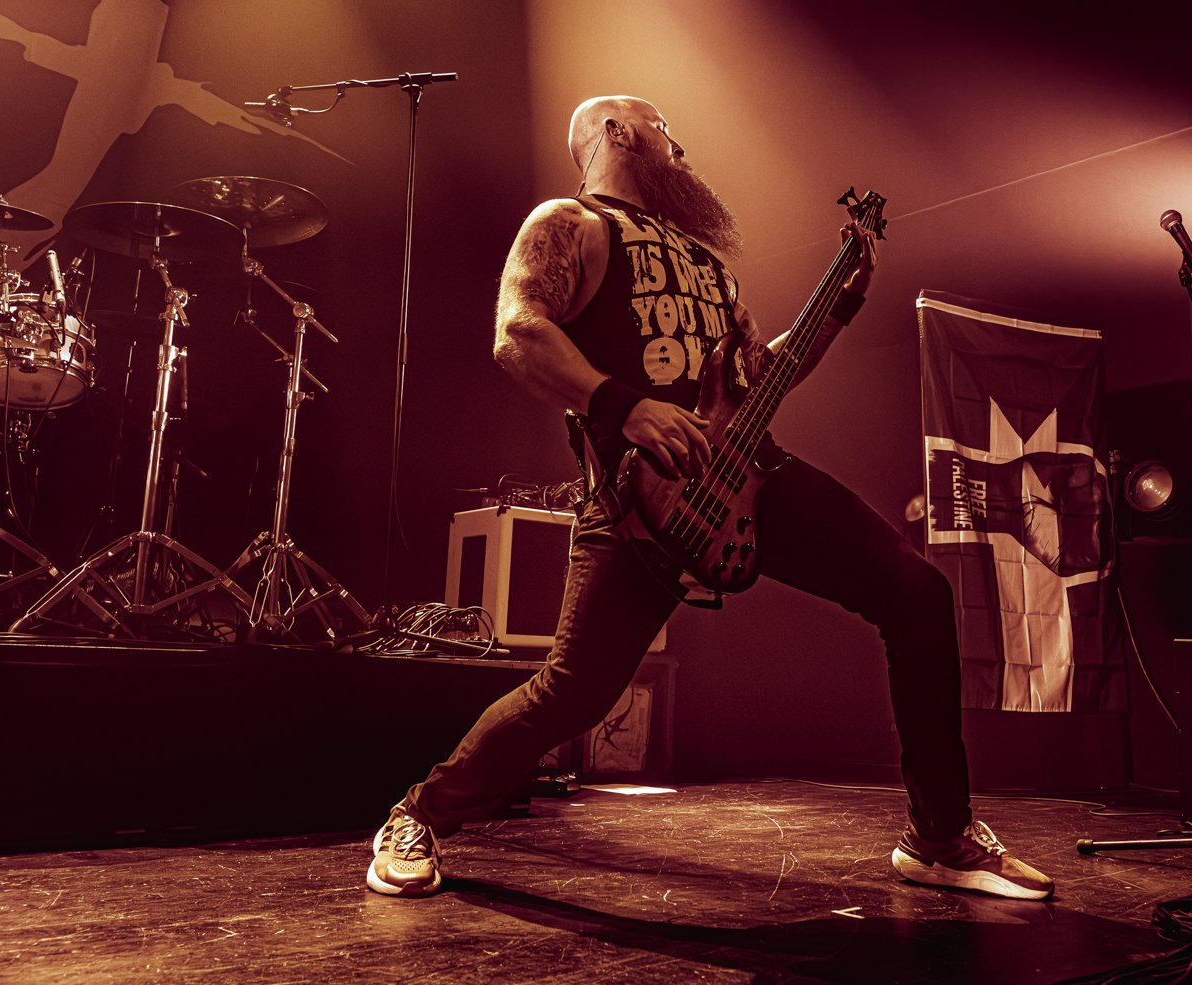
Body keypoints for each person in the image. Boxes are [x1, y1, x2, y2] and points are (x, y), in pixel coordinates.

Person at [366, 95, 1054, 902]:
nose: (682, 148)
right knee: (571, 693)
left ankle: (939, 835)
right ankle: (418, 812)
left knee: (917, 591)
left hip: (747, 473)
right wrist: (624, 404)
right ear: (617, 132)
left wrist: (838, 306)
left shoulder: (708, 266)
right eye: (667, 132)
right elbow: (518, 332)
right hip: (637, 501)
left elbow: (761, 379)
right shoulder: (572, 224)